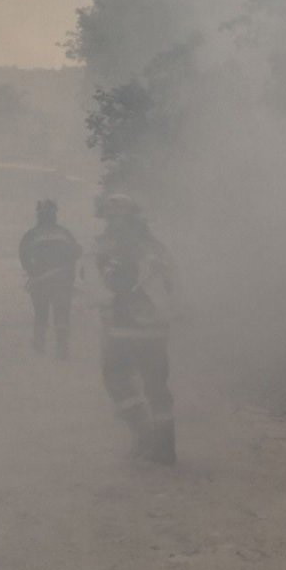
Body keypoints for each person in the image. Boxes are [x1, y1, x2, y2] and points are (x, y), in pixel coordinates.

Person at [95, 193, 177, 464]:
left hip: (126, 329)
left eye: (110, 219)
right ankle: (165, 448)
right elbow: (172, 282)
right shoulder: (158, 247)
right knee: (157, 387)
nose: (107, 225)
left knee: (116, 378)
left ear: (118, 221)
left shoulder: (121, 249)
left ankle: (143, 435)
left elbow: (117, 283)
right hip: (158, 329)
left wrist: (104, 274)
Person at [19, 199, 83, 359]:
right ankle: (61, 346)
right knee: (61, 312)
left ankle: (41, 343)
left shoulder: (31, 234)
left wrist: (32, 272)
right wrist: (69, 277)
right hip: (60, 280)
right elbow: (74, 254)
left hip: (41, 280)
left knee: (41, 312)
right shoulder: (64, 233)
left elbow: (24, 256)